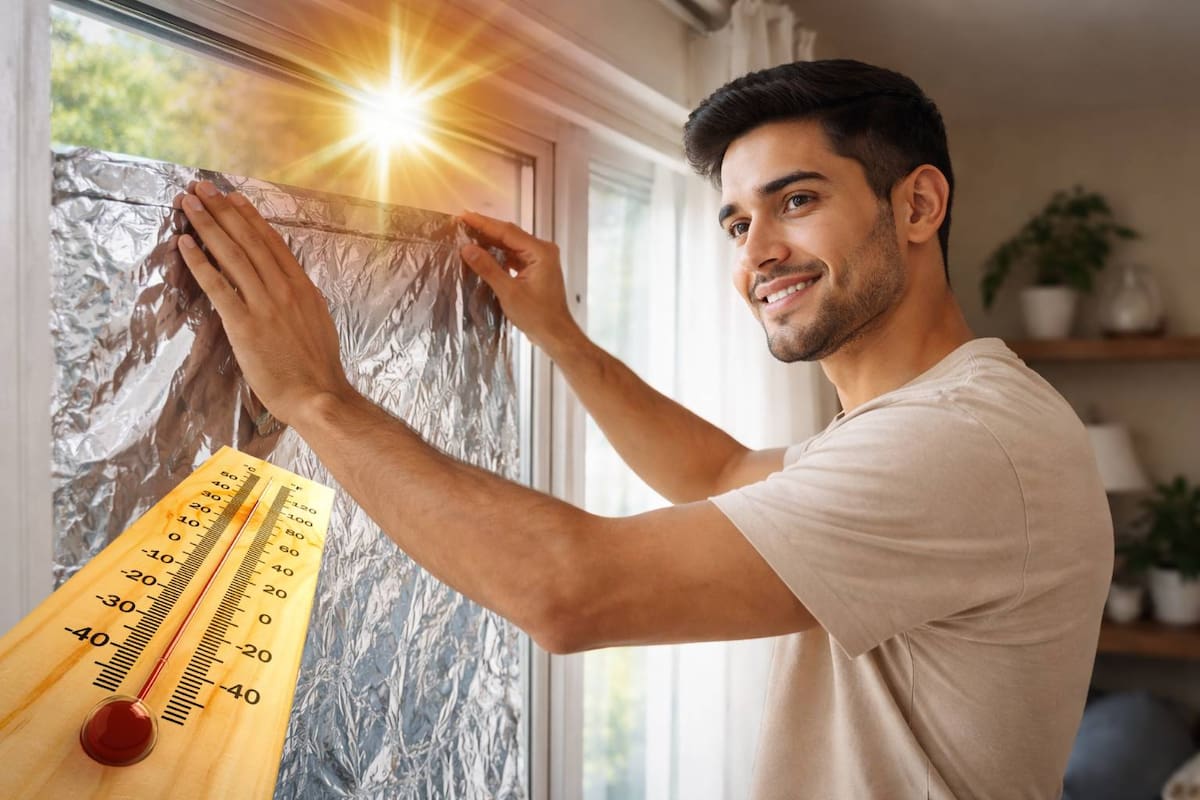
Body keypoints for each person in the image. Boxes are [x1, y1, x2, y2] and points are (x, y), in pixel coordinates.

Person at [174, 59, 1112, 799]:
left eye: (797, 200)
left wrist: (316, 397)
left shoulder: (962, 442)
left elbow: (570, 592)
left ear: (916, 205)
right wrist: (562, 338)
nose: (759, 253)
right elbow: (722, 471)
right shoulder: (920, 421)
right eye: (737, 223)